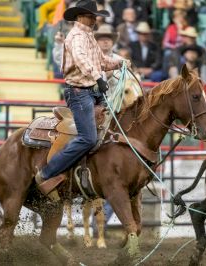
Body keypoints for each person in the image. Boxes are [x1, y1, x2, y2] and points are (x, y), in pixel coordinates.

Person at [35, 0, 128, 200]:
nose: (95, 19)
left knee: (108, 132)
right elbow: (81, 60)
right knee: (88, 138)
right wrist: (98, 78)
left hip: (89, 91)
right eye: (91, 15)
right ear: (80, 17)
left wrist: (120, 63)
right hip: (79, 92)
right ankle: (47, 173)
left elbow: (102, 62)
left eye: (95, 16)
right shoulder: (76, 36)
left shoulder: (88, 37)